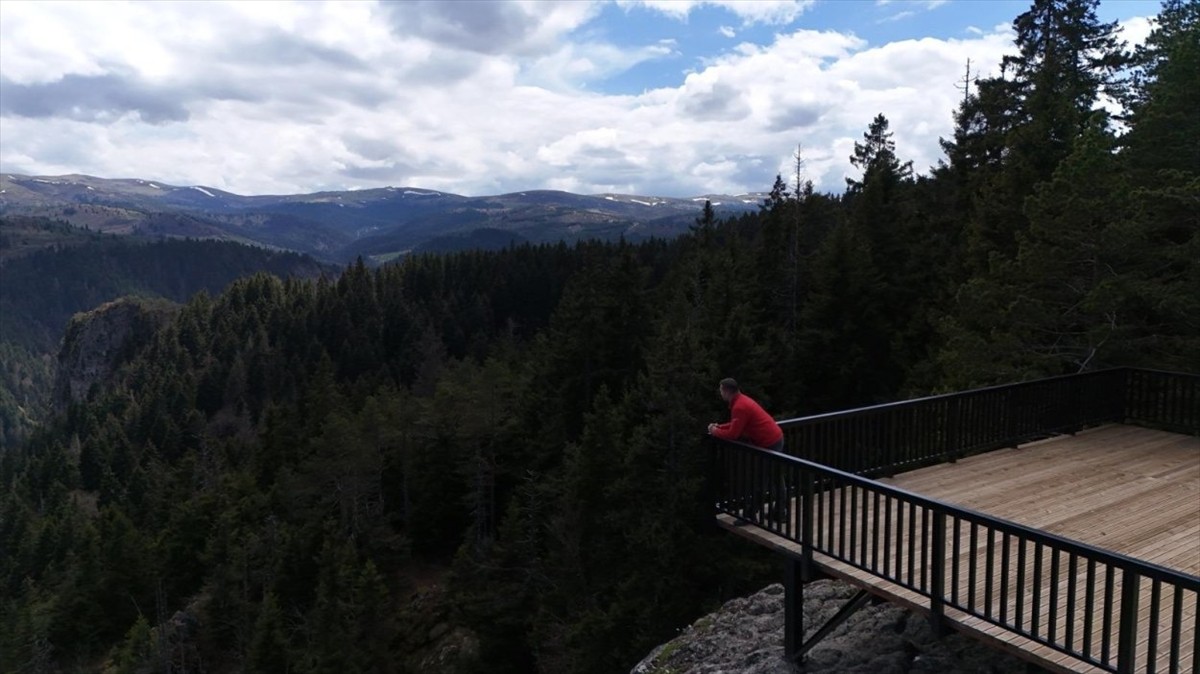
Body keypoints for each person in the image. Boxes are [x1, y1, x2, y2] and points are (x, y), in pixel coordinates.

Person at [707, 378, 784, 452]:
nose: (721, 393)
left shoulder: (739, 407)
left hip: (770, 442)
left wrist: (715, 431)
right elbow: (737, 424)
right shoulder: (742, 400)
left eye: (721, 390)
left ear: (726, 392)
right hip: (773, 438)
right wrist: (720, 427)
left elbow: (733, 434)